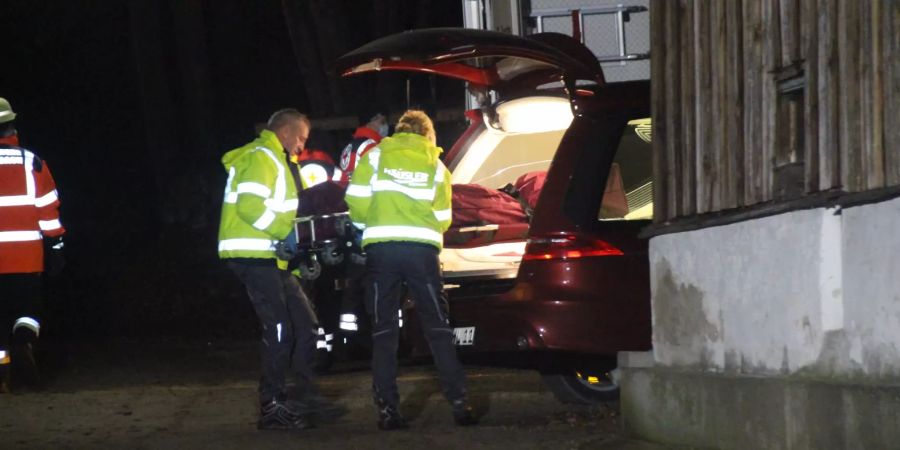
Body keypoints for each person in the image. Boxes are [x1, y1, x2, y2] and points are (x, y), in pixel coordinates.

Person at [345, 109, 477, 430]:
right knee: (438, 328)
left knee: (384, 332)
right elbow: (443, 217)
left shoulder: (375, 158)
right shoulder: (436, 165)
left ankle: (388, 411)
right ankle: (459, 403)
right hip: (421, 254)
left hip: (382, 251)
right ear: (428, 134)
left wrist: (371, 227)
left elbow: (356, 202)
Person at [217, 108, 341, 430]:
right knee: (281, 329)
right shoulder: (262, 157)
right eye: (300, 138)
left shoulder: (277, 160)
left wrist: (297, 255)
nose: (302, 145)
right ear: (284, 132)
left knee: (307, 325)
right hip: (253, 256)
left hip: (271, 258)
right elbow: (249, 207)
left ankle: (303, 396)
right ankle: (272, 405)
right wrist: (282, 235)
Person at [0, 97, 65, 393]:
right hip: (26, 258)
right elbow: (48, 208)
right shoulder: (32, 161)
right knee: (27, 311)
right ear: (11, 125)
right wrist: (56, 244)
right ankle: (24, 340)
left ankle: (4, 376)